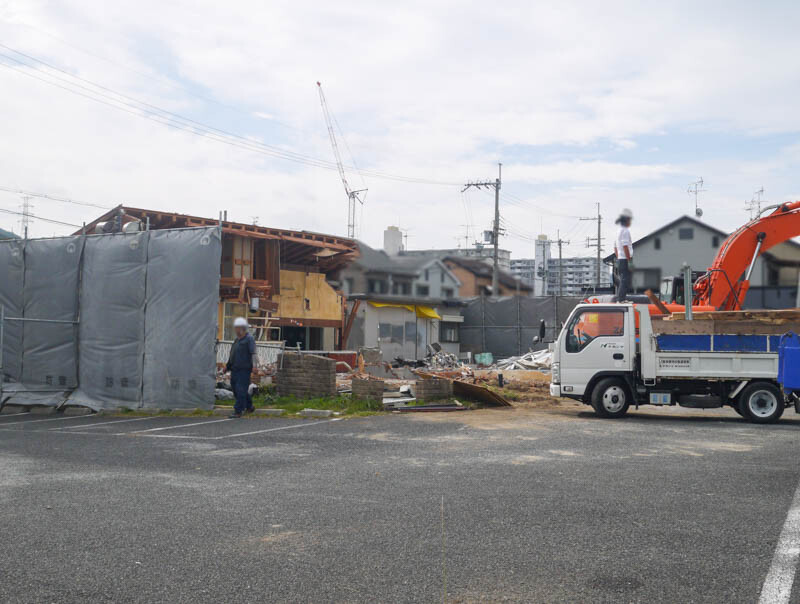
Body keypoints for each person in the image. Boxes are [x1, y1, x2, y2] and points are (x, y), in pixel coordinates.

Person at [226, 317, 256, 418]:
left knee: (240, 389)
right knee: (235, 388)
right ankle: (249, 406)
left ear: (242, 328)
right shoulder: (237, 340)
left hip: (244, 369)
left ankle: (238, 411)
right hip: (235, 369)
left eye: (237, 328)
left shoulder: (249, 339)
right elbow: (232, 354)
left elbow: (253, 353)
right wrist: (228, 366)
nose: (235, 330)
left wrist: (255, 366)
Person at [613, 208, 634, 301]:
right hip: (625, 258)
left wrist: (618, 257)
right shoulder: (625, 231)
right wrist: (629, 259)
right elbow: (625, 246)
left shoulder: (618, 231)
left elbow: (615, 247)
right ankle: (621, 298)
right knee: (625, 280)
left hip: (621, 258)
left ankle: (620, 298)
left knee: (622, 279)